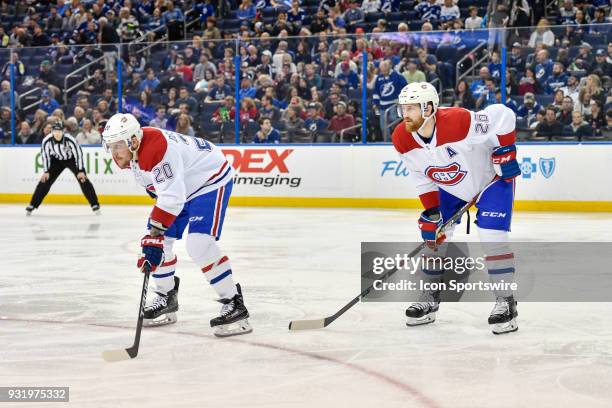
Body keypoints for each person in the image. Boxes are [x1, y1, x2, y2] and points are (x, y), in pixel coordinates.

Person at [101, 113, 251, 337]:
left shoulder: (157, 149)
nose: (114, 153)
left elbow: (171, 198)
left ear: (132, 140)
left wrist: (156, 232)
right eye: (110, 146)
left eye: (118, 146)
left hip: (208, 180)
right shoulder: (134, 154)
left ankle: (234, 302)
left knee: (198, 244)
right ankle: (165, 297)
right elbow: (162, 193)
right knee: (157, 243)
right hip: (181, 188)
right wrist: (156, 235)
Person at [392, 82, 521, 335]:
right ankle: (430, 297)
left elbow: (503, 115)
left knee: (492, 237)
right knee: (434, 238)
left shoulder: (458, 121)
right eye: (403, 108)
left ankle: (506, 302)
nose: (405, 114)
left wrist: (506, 150)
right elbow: (421, 176)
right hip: (450, 187)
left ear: (429, 108)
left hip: (489, 179)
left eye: (412, 108)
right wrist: (432, 213)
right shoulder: (401, 137)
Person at [26, 120, 100, 215]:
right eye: (55, 131)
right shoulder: (46, 141)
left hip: (71, 160)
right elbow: (45, 156)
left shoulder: (70, 140)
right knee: (44, 181)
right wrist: (46, 171)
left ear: (63, 131)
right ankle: (32, 204)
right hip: (56, 161)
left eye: (59, 131)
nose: (57, 134)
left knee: (83, 179)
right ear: (52, 131)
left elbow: (78, 154)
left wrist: (80, 170)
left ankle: (94, 204)